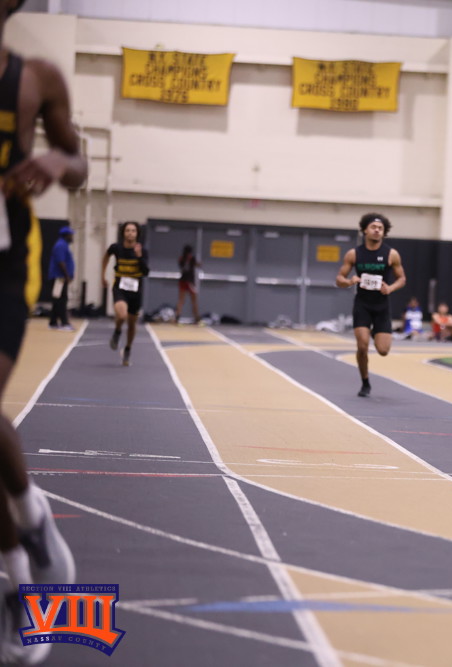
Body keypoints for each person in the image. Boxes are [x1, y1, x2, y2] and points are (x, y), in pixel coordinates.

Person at [0, 0, 86, 662]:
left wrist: (57, 162)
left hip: (6, 260)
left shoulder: (35, 78)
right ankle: (24, 541)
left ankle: (25, 557)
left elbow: (77, 164)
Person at [336, 213, 406, 397]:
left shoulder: (391, 254)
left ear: (384, 232)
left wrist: (390, 288)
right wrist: (349, 281)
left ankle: (376, 331)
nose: (377, 230)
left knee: (383, 350)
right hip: (363, 305)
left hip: (382, 306)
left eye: (380, 228)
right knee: (362, 346)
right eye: (373, 227)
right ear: (365, 230)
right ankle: (365, 382)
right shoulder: (354, 254)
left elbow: (402, 279)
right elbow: (339, 278)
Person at [102, 221, 149, 367]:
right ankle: (117, 331)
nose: (130, 233)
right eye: (127, 230)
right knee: (122, 315)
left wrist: (139, 256)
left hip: (135, 291)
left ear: (137, 234)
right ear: (123, 233)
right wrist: (102, 275)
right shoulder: (116, 248)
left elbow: (146, 272)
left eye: (133, 231)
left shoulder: (142, 250)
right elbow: (106, 257)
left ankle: (128, 348)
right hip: (120, 288)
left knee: (132, 323)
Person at [47, 225, 74, 331]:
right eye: (71, 235)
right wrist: (67, 275)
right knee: (61, 300)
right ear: (66, 235)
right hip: (59, 278)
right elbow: (61, 262)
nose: (72, 237)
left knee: (58, 300)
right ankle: (64, 323)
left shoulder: (63, 245)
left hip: (61, 277)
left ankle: (53, 322)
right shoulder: (61, 245)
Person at [175, 244, 200, 324]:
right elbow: (198, 265)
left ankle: (177, 317)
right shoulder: (191, 258)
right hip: (189, 281)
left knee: (181, 300)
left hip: (183, 280)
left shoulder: (182, 258)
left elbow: (181, 266)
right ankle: (197, 318)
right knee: (193, 300)